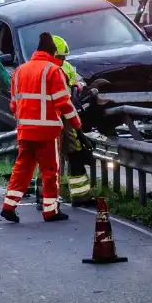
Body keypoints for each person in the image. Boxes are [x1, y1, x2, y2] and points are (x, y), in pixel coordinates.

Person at [0, 32, 81, 223]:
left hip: (25, 130)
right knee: (50, 171)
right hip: (47, 132)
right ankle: (51, 211)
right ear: (52, 53)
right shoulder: (52, 71)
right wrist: (78, 126)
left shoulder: (20, 71)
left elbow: (13, 105)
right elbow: (64, 104)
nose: (61, 62)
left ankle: (9, 206)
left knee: (22, 169)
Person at [52, 35, 94, 207]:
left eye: (64, 57)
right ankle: (45, 197)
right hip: (54, 117)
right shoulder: (47, 70)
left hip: (67, 116)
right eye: (59, 57)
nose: (62, 61)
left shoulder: (66, 66)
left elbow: (78, 80)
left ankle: (81, 196)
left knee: (75, 153)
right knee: (49, 158)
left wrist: (78, 85)